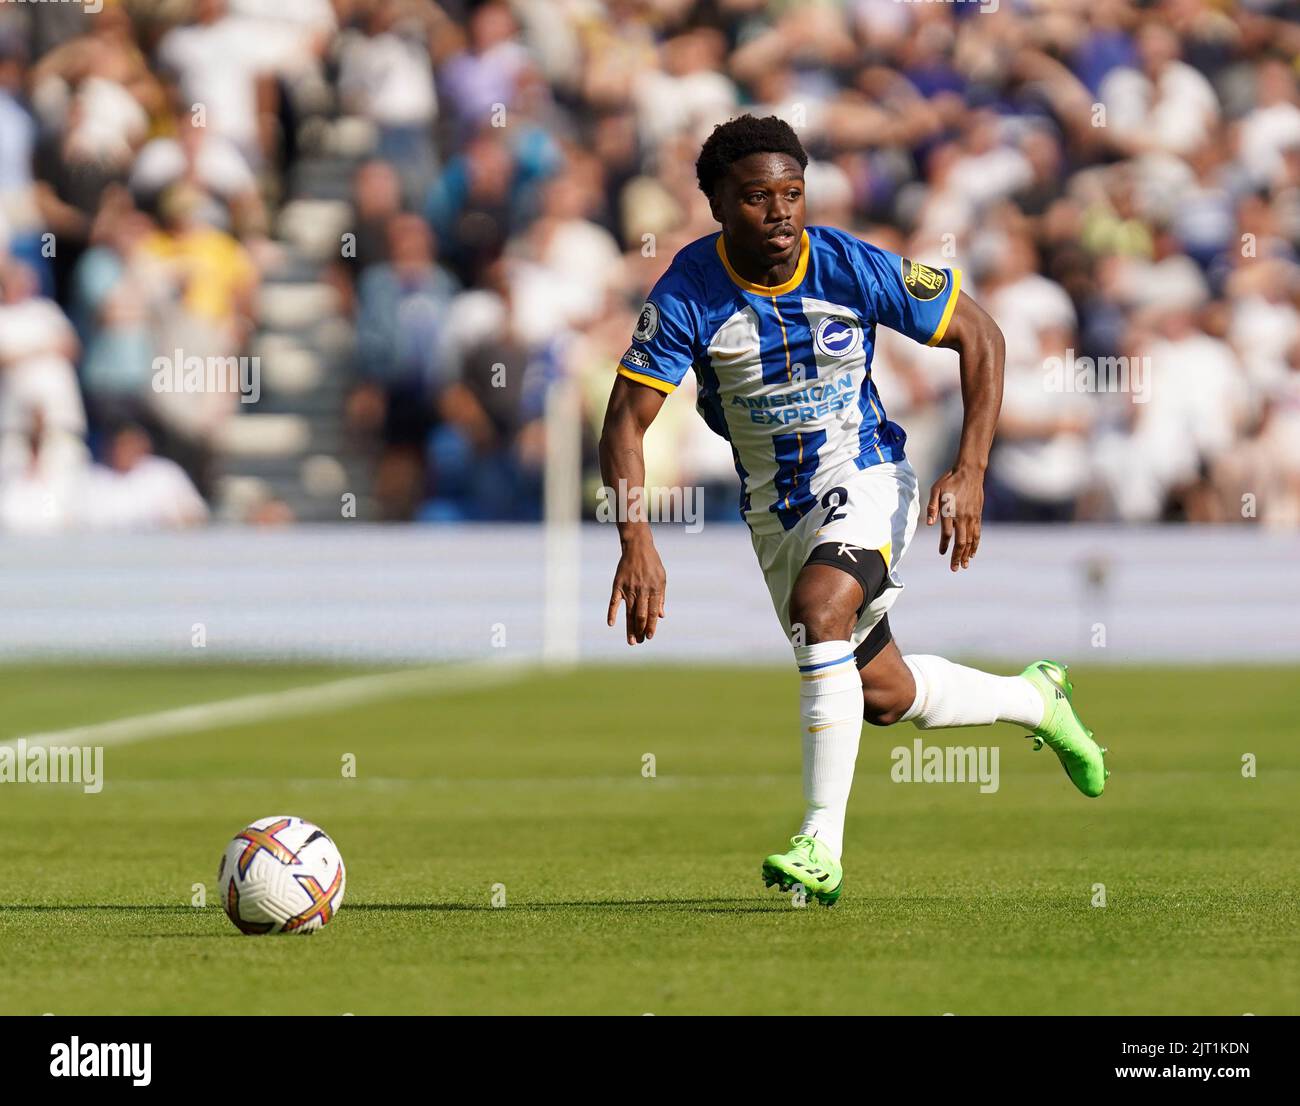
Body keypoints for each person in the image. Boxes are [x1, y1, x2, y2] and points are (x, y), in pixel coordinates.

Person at [598, 115, 1109, 907]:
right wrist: (636, 541)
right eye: (757, 197)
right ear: (717, 206)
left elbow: (980, 335)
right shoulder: (687, 294)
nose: (780, 213)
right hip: (776, 513)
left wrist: (970, 468)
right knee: (884, 694)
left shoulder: (849, 264)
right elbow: (625, 422)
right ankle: (1038, 699)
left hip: (868, 473)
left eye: (792, 193)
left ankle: (819, 845)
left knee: (821, 607)